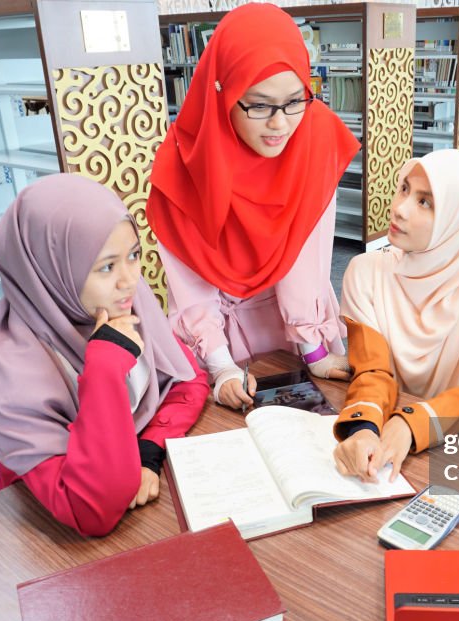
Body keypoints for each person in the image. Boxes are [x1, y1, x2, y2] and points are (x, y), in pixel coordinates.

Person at [147, 3, 361, 409]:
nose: (280, 124)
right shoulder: (181, 164)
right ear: (221, 92)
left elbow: (306, 258)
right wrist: (221, 366)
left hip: (297, 333)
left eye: (295, 100)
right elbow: (190, 288)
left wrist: (313, 349)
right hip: (221, 340)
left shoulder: (315, 135)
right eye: (259, 105)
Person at [0, 174, 208, 537]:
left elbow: (189, 381)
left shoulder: (124, 304)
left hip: (136, 516)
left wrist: (148, 451)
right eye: (106, 267)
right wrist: (104, 369)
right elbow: (90, 510)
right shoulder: (12, 371)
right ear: (49, 270)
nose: (130, 280)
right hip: (50, 539)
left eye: (133, 256)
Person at [332, 149, 459, 483]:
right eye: (404, 189)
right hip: (386, 440)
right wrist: (363, 428)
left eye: (425, 202)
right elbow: (372, 370)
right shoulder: (365, 271)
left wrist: (411, 423)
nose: (399, 209)